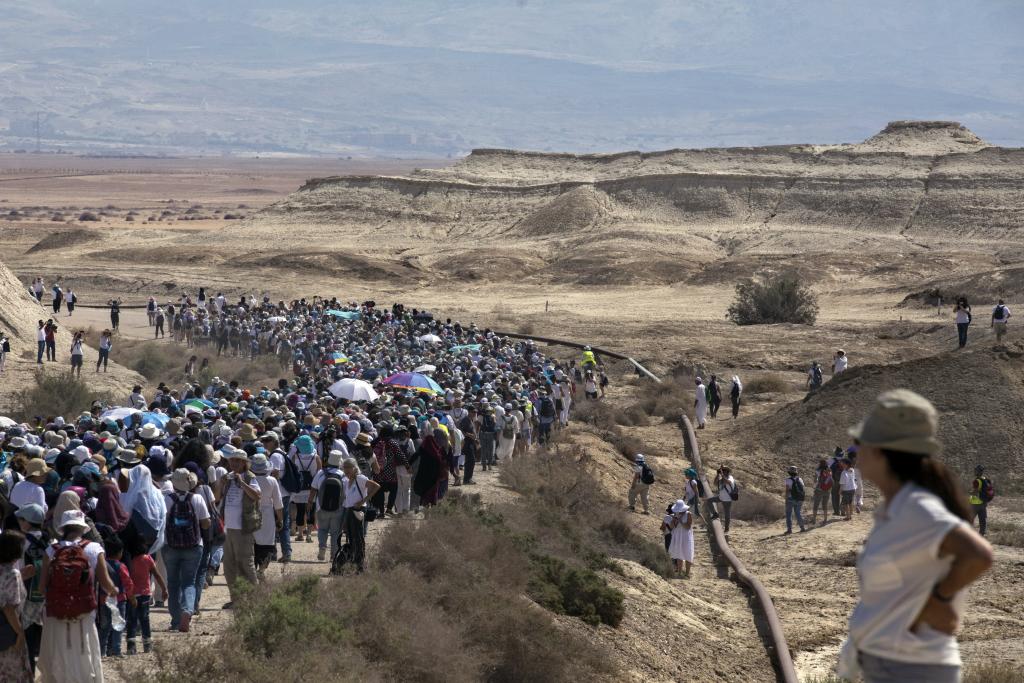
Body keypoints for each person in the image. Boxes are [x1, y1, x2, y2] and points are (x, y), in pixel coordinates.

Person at [838, 389, 994, 683]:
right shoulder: (899, 507)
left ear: (881, 451)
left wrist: (938, 600)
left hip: (911, 669)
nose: (855, 452)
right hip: (895, 664)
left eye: (860, 444)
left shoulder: (916, 507)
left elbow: (978, 554)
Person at [39, 509, 117, 683]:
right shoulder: (93, 548)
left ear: (63, 528)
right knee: (84, 651)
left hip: (56, 612)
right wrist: (115, 590)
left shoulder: (51, 551)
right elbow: (105, 582)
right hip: (84, 611)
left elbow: (42, 587)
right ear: (83, 528)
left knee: (59, 652)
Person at [163, 468, 210, 632]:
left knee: (173, 583)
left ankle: (175, 620)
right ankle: (187, 610)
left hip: (170, 546)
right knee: (189, 582)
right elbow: (205, 523)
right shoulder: (197, 498)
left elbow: (162, 523)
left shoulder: (167, 499)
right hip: (194, 545)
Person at [215, 450, 261, 609]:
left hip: (243, 528)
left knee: (246, 565)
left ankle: (255, 599)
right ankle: (236, 600)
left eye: (237, 461)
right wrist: (220, 484)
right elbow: (217, 499)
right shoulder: (227, 478)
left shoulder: (250, 477)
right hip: (228, 528)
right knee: (229, 567)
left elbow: (256, 496)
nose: (233, 463)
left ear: (244, 463)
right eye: (232, 461)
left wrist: (242, 483)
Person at [14, 505, 47, 674]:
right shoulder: (49, 541)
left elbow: (16, 569)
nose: (19, 522)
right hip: (44, 594)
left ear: (27, 522)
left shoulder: (20, 542)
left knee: (25, 634)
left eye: (21, 519)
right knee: (40, 632)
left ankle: (28, 672)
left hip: (25, 593)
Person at [337, 457, 379, 573]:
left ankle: (360, 565)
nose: (346, 472)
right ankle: (353, 562)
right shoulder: (346, 481)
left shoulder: (360, 478)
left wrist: (363, 500)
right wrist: (345, 520)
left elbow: (376, 486)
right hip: (349, 511)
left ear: (354, 468)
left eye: (348, 469)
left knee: (358, 537)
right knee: (350, 537)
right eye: (345, 469)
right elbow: (347, 500)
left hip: (359, 510)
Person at [0, 530, 32, 683]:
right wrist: (20, 633)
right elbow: (8, 608)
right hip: (9, 631)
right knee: (12, 674)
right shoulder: (12, 573)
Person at [97, 536, 133, 657]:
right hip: (120, 600)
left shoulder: (103, 564)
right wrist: (131, 597)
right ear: (119, 553)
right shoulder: (121, 566)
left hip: (104, 600)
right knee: (118, 625)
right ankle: (116, 651)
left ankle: (102, 652)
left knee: (104, 627)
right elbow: (128, 583)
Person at [126, 545, 165, 655]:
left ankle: (131, 646)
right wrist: (164, 589)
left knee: (132, 620)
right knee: (144, 619)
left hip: (132, 595)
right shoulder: (147, 558)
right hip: (145, 594)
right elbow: (156, 575)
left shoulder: (130, 560)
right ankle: (147, 645)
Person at [310, 450, 345, 563]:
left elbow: (313, 489)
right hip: (338, 508)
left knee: (323, 529)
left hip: (322, 507)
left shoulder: (321, 473)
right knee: (335, 532)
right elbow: (346, 494)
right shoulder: (343, 475)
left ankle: (322, 548)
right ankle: (333, 554)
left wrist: (310, 503)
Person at [249, 455, 282, 576]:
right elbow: (278, 504)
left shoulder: (249, 480)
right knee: (268, 544)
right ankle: (261, 570)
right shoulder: (272, 481)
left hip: (252, 512)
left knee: (253, 543)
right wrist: (280, 519)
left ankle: (252, 569)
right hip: (267, 515)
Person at [668, 500, 694, 577]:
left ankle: (687, 573)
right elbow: (671, 527)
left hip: (686, 536)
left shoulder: (688, 514)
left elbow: (688, 527)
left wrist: (681, 521)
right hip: (677, 535)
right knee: (679, 553)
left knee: (687, 553)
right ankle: (679, 573)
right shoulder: (675, 514)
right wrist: (673, 521)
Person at [968, 465, 993, 537]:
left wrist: (969, 492)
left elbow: (975, 492)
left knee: (969, 519)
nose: (974, 471)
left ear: (978, 472)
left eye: (975, 470)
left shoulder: (977, 480)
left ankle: (969, 534)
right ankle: (982, 534)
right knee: (982, 519)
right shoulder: (985, 479)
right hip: (984, 503)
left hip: (975, 504)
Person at [784, 465, 807, 534]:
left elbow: (787, 490)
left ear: (789, 472)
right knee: (798, 513)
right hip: (799, 498)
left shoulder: (787, 480)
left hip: (791, 498)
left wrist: (786, 499)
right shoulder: (800, 479)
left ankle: (789, 529)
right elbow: (802, 489)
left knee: (789, 514)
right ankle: (802, 527)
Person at [714, 465, 737, 532]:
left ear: (727, 471)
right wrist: (717, 475)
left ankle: (726, 528)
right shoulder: (721, 479)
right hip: (721, 498)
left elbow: (728, 482)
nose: (723, 472)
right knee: (709, 501)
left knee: (727, 514)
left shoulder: (730, 478)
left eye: (724, 471)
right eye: (722, 470)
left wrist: (722, 475)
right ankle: (715, 514)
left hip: (727, 499)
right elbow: (715, 483)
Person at [811, 458, 832, 526]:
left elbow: (815, 481)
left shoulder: (818, 471)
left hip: (819, 490)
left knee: (816, 505)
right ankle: (825, 520)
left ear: (820, 464)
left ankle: (814, 519)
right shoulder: (829, 471)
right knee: (825, 505)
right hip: (827, 490)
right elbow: (831, 480)